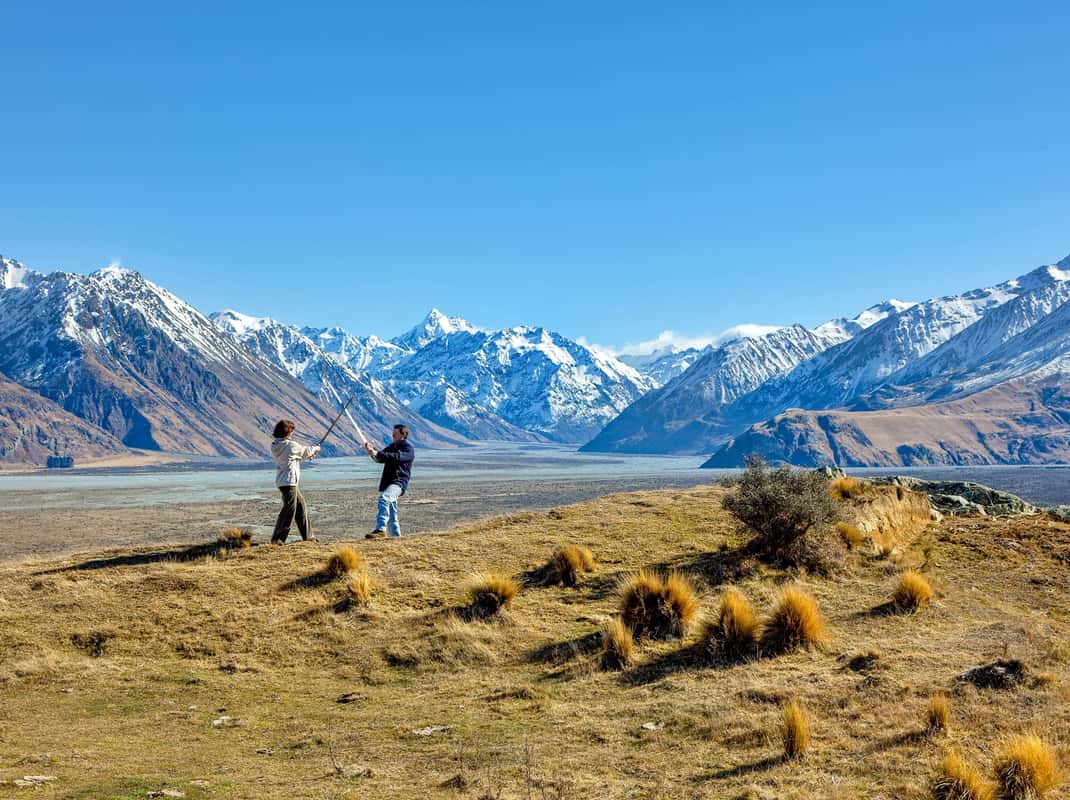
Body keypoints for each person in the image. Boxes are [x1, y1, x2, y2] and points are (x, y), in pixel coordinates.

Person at [270, 419, 320, 543]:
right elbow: (305, 451)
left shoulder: (277, 445)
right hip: (289, 482)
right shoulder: (290, 445)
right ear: (287, 432)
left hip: (283, 481)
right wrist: (316, 449)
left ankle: (308, 537)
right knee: (289, 510)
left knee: (300, 506)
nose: (292, 434)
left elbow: (294, 457)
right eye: (291, 431)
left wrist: (307, 454)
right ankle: (278, 539)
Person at [365, 424, 414, 539]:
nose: (392, 436)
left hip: (398, 482)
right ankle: (396, 538)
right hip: (389, 483)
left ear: (403, 435)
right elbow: (380, 458)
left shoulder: (408, 449)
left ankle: (381, 529)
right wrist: (372, 452)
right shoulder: (392, 447)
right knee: (392, 515)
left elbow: (397, 457)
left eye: (395, 434)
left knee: (384, 499)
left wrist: (378, 453)